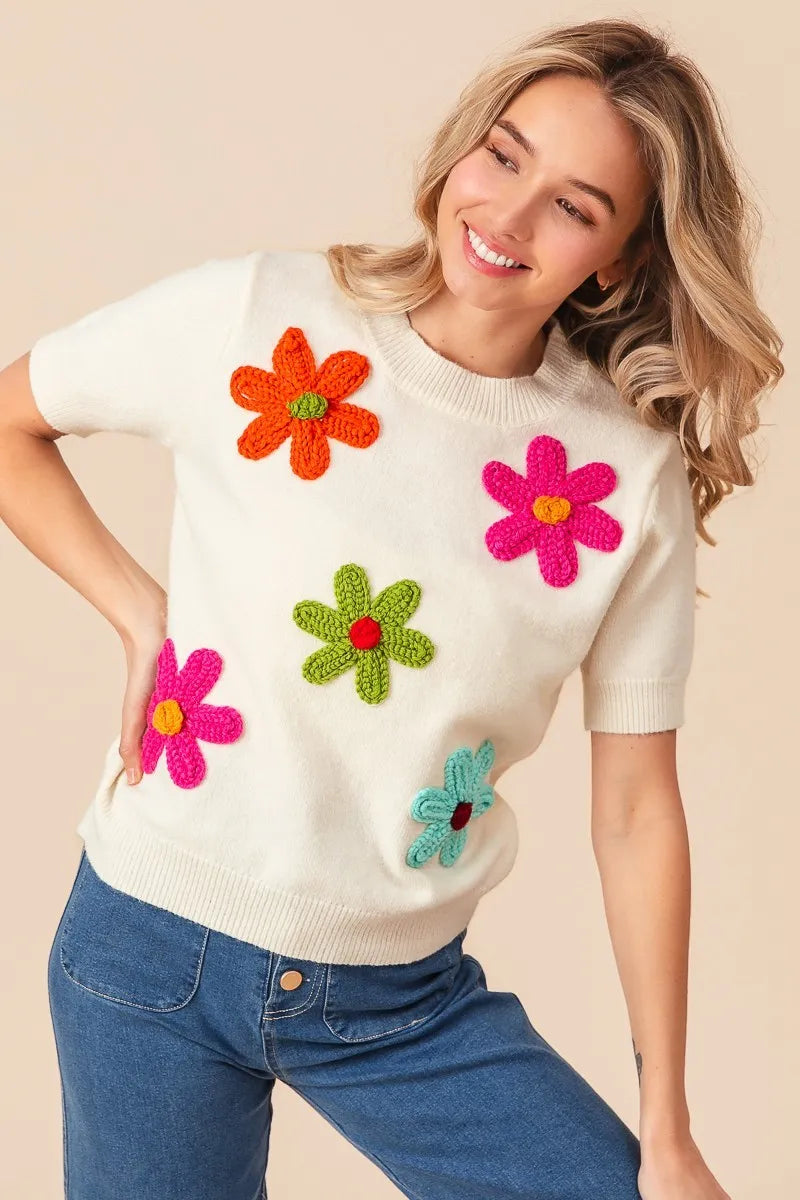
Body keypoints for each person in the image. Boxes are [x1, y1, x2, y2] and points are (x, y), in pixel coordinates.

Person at [0, 17, 781, 1200]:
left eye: (573, 206)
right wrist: (138, 616)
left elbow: (633, 812)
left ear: (617, 260)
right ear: (464, 145)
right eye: (504, 155)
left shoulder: (618, 480)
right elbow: (13, 423)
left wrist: (664, 1129)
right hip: (143, 949)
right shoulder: (262, 318)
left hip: (400, 1001)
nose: (507, 217)